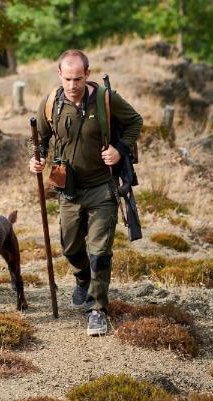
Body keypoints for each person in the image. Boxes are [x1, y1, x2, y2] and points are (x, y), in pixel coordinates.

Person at [29, 49, 142, 336]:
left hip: (102, 187)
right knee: (70, 247)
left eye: (77, 78)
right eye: (67, 78)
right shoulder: (52, 103)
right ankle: (82, 279)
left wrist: (120, 150)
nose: (72, 84)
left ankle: (97, 309)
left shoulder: (105, 99)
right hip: (67, 189)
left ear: (87, 75)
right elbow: (41, 138)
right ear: (59, 76)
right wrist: (38, 157)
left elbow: (135, 122)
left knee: (99, 251)